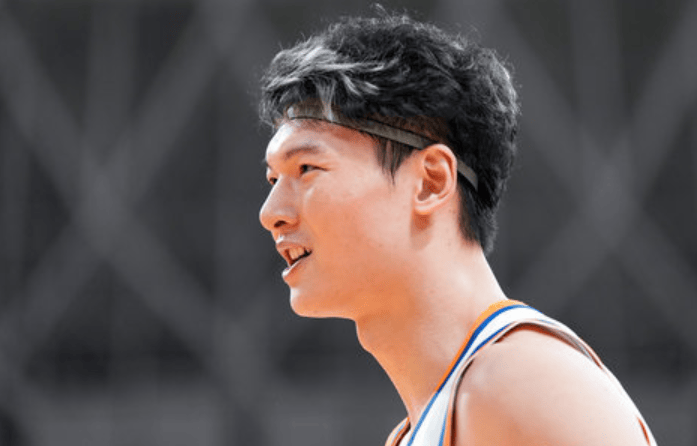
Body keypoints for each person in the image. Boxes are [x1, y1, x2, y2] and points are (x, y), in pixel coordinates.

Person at [258, 9, 657, 446]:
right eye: (274, 179)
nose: (271, 211)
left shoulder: (520, 385)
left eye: (307, 168)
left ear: (431, 181)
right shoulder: (435, 417)